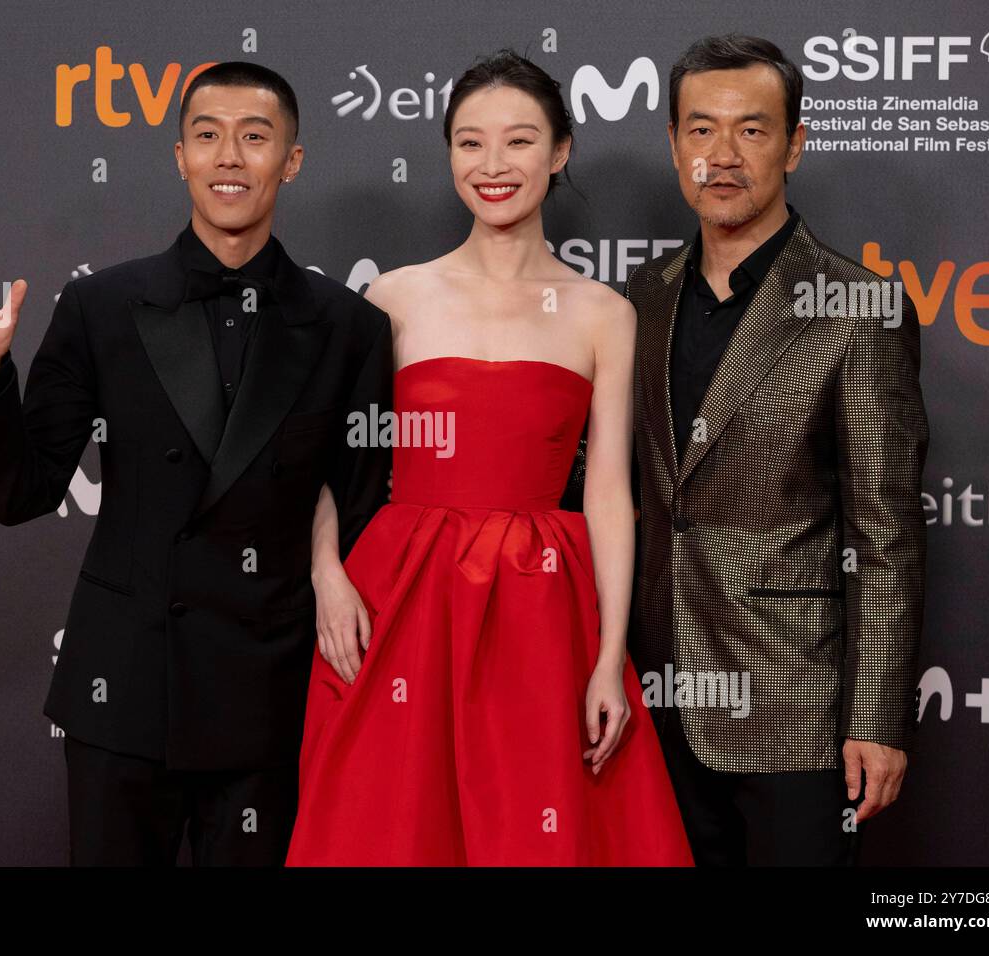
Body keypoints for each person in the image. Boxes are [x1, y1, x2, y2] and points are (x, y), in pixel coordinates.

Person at [0, 61, 392, 865]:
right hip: (125, 689)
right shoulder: (101, 306)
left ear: (291, 159)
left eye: (255, 138)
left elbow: (358, 504)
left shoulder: (348, 327)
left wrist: (324, 565)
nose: (228, 157)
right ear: (178, 155)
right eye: (207, 136)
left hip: (271, 698)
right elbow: (20, 489)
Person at [285, 50, 694, 866]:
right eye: (470, 144)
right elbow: (331, 460)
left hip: (542, 608)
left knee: (533, 827)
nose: (494, 165)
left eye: (519, 141)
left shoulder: (604, 313)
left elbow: (610, 495)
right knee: (390, 824)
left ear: (560, 150)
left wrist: (610, 659)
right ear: (448, 156)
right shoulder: (394, 297)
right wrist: (327, 573)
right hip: (400, 601)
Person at [623, 35, 929, 865]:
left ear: (794, 144)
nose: (721, 156)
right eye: (700, 130)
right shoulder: (638, 298)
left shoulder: (857, 306)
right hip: (651, 703)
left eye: (751, 131)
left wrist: (875, 721)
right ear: (674, 144)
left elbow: (887, 535)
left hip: (794, 711)